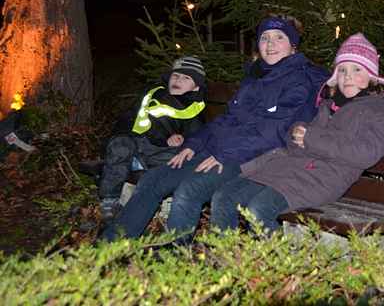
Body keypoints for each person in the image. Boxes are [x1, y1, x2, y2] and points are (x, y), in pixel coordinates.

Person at [101, 15, 329, 242]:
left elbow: (275, 133)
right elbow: (227, 119)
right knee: (153, 180)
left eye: (279, 38)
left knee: (189, 190)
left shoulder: (300, 81)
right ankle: (109, 246)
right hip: (223, 150)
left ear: (293, 46)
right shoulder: (256, 77)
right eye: (265, 38)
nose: (270, 44)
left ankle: (174, 255)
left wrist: (225, 154)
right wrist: (195, 143)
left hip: (255, 159)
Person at [210, 33, 384, 234]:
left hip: (324, 178)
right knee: (224, 196)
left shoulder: (382, 110)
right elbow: (298, 141)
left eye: (357, 69)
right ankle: (229, 258)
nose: (348, 77)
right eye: (342, 70)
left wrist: (310, 137)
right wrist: (298, 134)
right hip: (291, 169)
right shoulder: (329, 104)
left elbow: (365, 153)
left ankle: (278, 263)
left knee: (259, 209)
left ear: (372, 76)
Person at [98, 56, 207, 220]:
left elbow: (197, 135)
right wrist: (121, 134)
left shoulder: (194, 107)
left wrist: (182, 139)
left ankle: (166, 200)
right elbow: (129, 116)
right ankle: (110, 198)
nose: (178, 80)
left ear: (196, 87)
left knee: (178, 158)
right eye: (175, 76)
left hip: (160, 150)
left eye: (186, 78)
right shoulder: (153, 93)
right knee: (120, 145)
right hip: (135, 141)